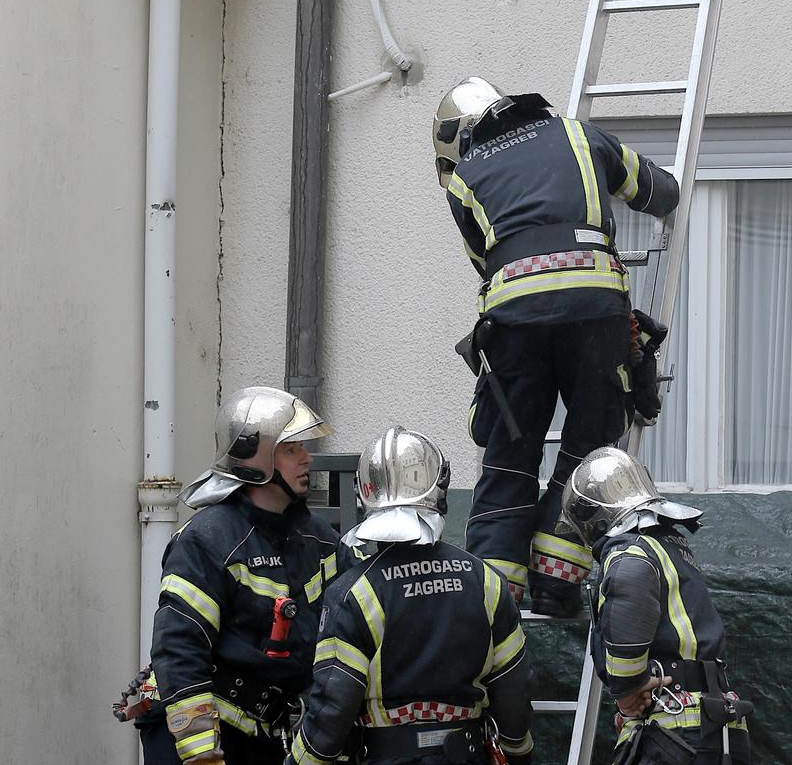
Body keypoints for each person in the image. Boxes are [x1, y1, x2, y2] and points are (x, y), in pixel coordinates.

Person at [433, 76, 680, 616]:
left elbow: (489, 264)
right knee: (591, 444)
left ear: (460, 141)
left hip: (514, 326)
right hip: (595, 312)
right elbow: (661, 193)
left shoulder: (463, 182)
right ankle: (558, 578)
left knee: (509, 454)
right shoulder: (581, 136)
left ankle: (495, 598)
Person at [287, 426, 534, 765]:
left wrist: (302, 761)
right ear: (440, 488)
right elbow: (513, 688)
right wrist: (520, 752)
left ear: (365, 496)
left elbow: (334, 704)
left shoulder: (354, 593)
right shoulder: (485, 581)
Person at [138, 386, 350, 765]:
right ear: (254, 457)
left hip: (273, 734)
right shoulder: (207, 540)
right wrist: (203, 756)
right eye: (291, 449)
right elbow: (180, 649)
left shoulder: (319, 540)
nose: (307, 459)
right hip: (207, 732)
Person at [559, 446, 752, 765]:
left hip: (675, 733)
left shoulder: (630, 551)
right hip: (711, 725)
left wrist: (627, 687)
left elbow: (628, 600)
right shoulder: (669, 543)